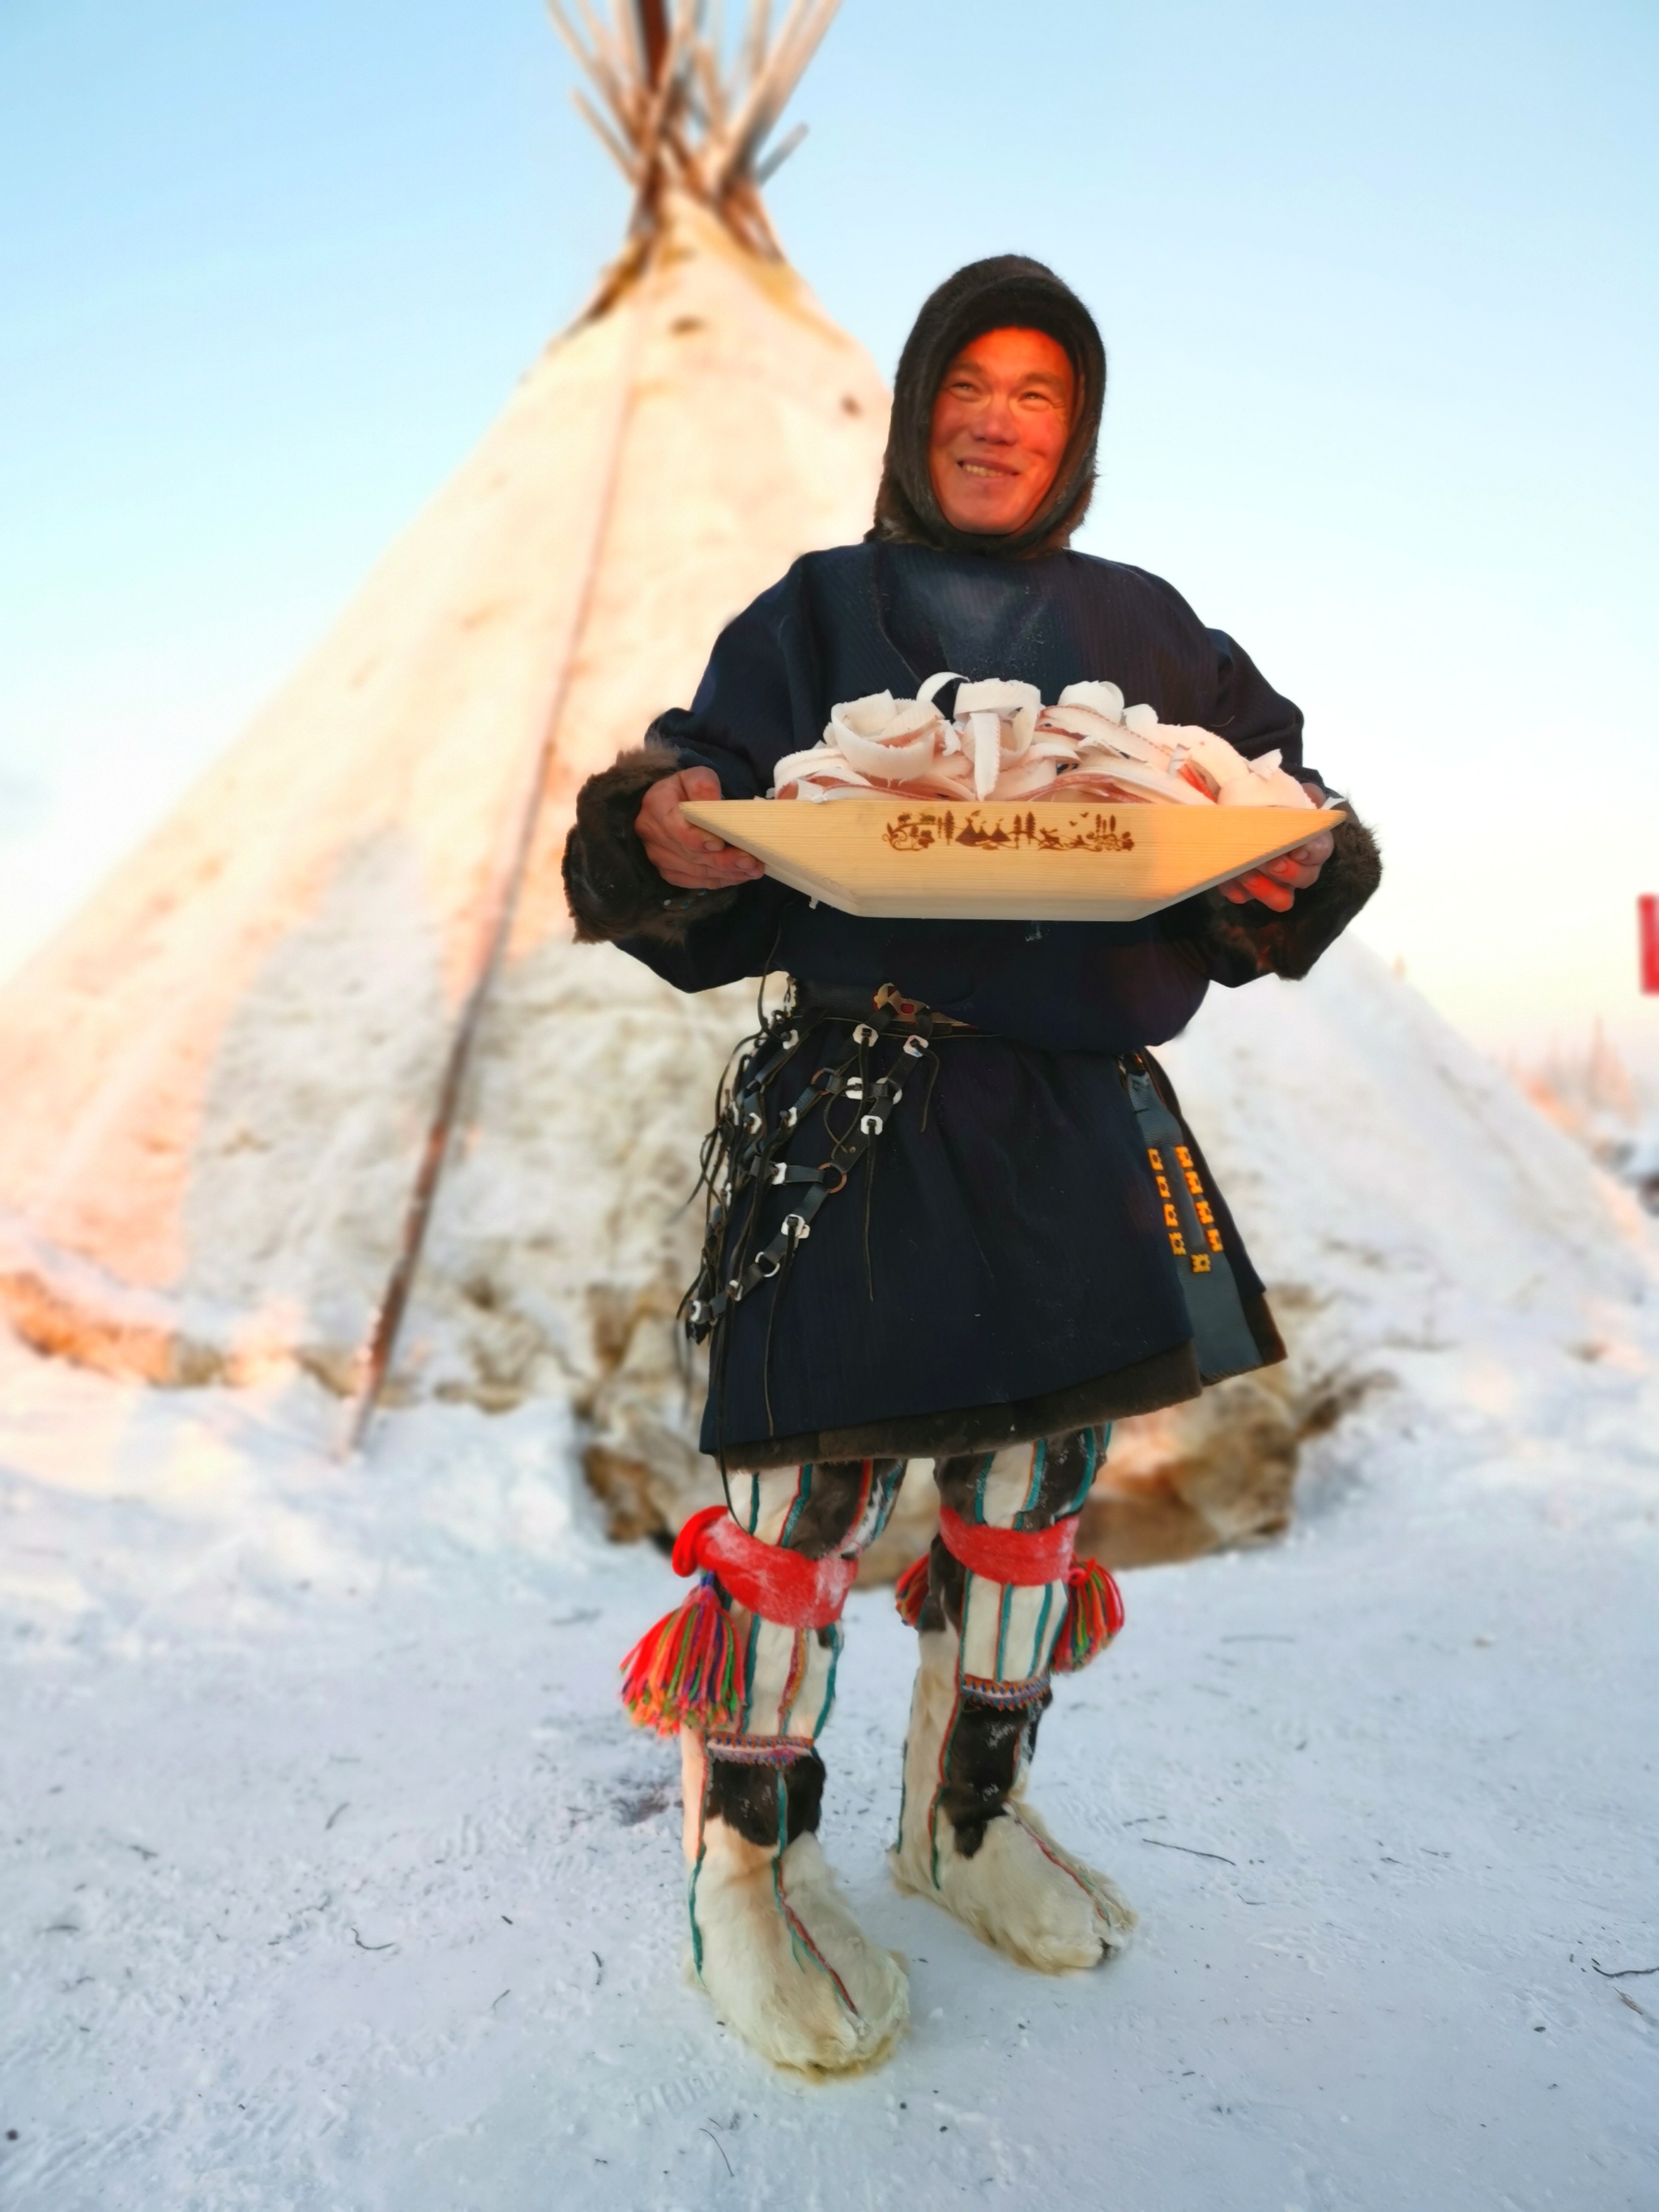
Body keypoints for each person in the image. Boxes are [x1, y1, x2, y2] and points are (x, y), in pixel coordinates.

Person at [563, 255, 1380, 2076]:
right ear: (918, 399)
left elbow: (1282, 803)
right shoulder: (820, 610)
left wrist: (1290, 868)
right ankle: (744, 1869)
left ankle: (961, 1817)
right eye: (972, 383)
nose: (999, 417)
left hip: (1081, 1117)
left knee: (1031, 1506)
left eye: (1039, 393)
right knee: (797, 1527)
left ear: (1076, 431)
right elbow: (685, 798)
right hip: (859, 1108)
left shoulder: (1146, 623)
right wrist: (664, 833)